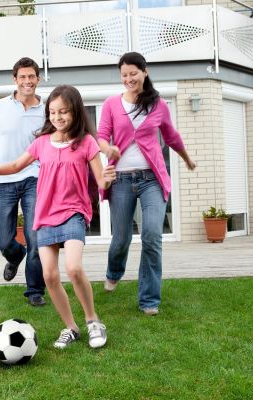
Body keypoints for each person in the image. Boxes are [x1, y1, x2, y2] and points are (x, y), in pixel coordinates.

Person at [0, 85, 116, 349]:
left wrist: (108, 179)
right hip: (45, 215)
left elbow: (101, 180)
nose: (57, 117)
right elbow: (16, 165)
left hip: (74, 212)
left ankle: (92, 321)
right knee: (50, 276)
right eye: (53, 112)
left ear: (75, 112)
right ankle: (71, 327)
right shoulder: (42, 142)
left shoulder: (86, 143)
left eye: (63, 112)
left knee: (74, 268)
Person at [97, 52, 196, 316]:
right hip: (121, 180)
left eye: (133, 73)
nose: (129, 79)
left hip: (151, 178)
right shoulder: (111, 104)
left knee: (152, 235)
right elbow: (101, 137)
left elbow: (171, 137)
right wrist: (109, 150)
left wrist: (186, 159)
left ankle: (149, 299)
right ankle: (114, 271)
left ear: (145, 72)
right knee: (121, 238)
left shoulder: (159, 105)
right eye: (124, 75)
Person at [0, 57, 46, 307]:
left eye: (32, 76)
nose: (27, 81)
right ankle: (15, 256)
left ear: (38, 78)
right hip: (4, 179)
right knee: (3, 240)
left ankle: (35, 290)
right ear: (15, 79)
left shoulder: (48, 108)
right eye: (23, 77)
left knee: (35, 237)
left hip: (35, 178)